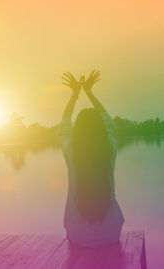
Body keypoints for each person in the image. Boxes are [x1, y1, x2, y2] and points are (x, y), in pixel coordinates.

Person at [59, 70, 125, 248]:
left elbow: (64, 123)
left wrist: (75, 94)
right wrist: (89, 92)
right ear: (101, 131)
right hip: (111, 234)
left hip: (78, 237)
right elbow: (108, 122)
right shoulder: (109, 149)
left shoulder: (71, 152)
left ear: (77, 133)